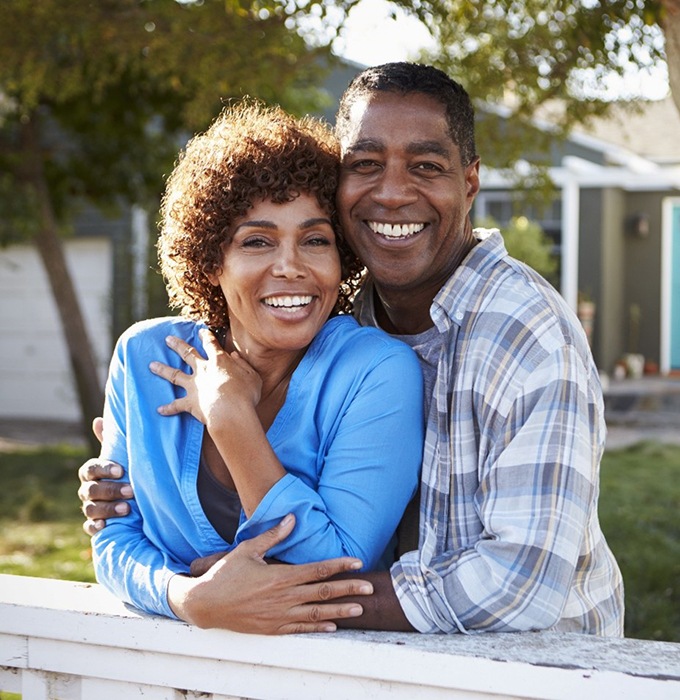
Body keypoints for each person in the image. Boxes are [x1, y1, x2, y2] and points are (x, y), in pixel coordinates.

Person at [80, 62, 624, 637]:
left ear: (469, 183)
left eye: (426, 166)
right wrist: (188, 595)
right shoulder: (355, 311)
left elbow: (522, 585)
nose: (390, 193)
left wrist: (266, 596)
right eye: (364, 165)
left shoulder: (526, 336)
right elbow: (118, 533)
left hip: (542, 671)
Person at [87, 99, 424, 631]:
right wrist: (188, 596)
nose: (290, 267)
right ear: (210, 260)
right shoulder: (145, 358)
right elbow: (112, 538)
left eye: (315, 240)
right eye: (257, 241)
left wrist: (229, 416)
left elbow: (336, 568)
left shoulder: (375, 372)